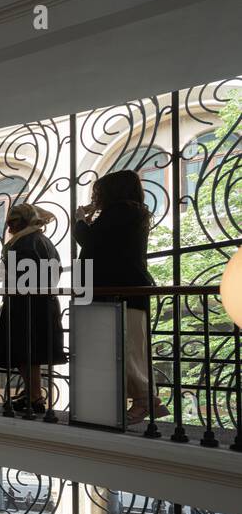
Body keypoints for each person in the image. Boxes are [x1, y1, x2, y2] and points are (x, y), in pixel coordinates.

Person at [75, 169, 168, 425]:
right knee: (128, 347)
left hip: (119, 291)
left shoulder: (121, 212)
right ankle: (144, 399)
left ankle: (144, 400)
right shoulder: (131, 213)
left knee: (125, 347)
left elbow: (91, 242)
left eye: (100, 193)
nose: (97, 197)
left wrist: (81, 220)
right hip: (124, 290)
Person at [0, 202, 67, 413]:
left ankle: (34, 396)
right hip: (41, 304)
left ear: (23, 221)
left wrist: (0, 273)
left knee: (25, 352)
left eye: (12, 223)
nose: (9, 229)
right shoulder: (43, 240)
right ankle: (33, 394)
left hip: (25, 306)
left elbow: (20, 278)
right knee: (30, 353)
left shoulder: (24, 242)